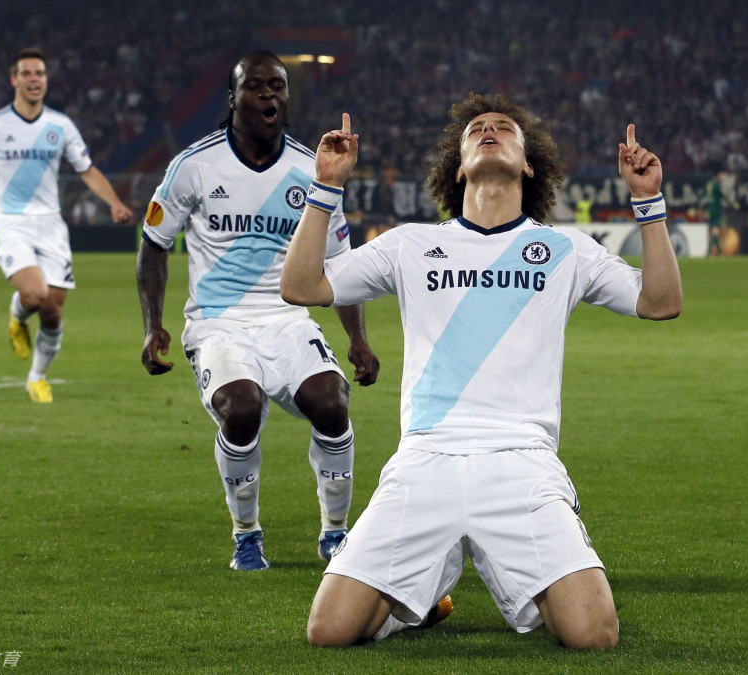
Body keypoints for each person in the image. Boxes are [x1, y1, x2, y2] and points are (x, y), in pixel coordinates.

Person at [281, 94, 683, 649]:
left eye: (504, 128)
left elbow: (660, 302)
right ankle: (417, 604)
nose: (489, 129)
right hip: (426, 458)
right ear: (457, 165)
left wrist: (649, 202)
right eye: (477, 128)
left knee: (594, 635)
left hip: (522, 461)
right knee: (328, 632)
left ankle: (520, 578)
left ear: (529, 164)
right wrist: (326, 186)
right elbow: (301, 287)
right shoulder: (412, 245)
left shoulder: (564, 248)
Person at [136, 51, 380, 571]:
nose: (269, 94)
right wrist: (153, 325)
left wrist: (358, 339)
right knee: (241, 408)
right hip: (218, 324)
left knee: (331, 402)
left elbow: (339, 262)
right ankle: (246, 533)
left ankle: (336, 534)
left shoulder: (310, 171)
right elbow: (154, 243)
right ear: (233, 98)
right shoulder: (193, 166)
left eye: (278, 86)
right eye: (256, 86)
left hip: (288, 319)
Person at [0, 47, 133, 403]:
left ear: (46, 81)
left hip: (50, 224)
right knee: (35, 294)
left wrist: (114, 203)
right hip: (9, 222)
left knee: (53, 308)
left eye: (40, 74)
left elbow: (87, 170)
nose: (35, 80)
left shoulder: (61, 126)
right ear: (14, 79)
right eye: (28, 73)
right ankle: (17, 316)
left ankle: (37, 377)